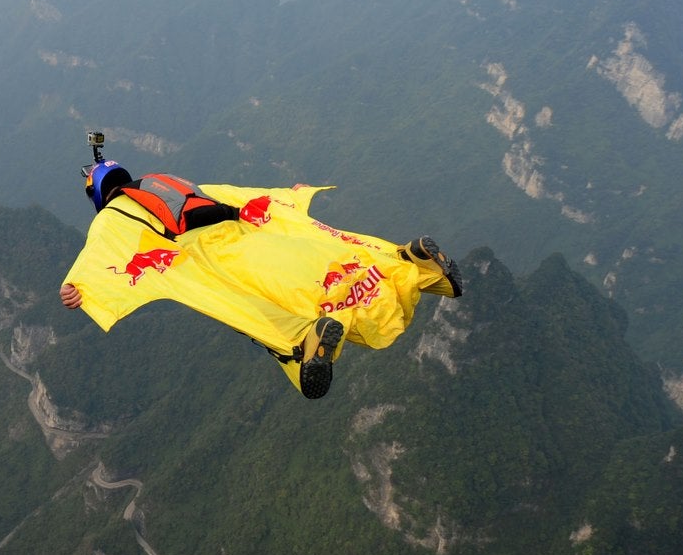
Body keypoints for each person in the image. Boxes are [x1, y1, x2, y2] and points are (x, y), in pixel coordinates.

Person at [59, 147, 462, 399]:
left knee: (250, 311)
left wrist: (76, 289)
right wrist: (287, 195)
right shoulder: (166, 181)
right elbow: (230, 194)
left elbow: (99, 256)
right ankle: (414, 265)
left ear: (97, 194)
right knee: (329, 255)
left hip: (215, 258)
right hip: (243, 232)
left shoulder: (111, 218)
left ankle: (303, 348)